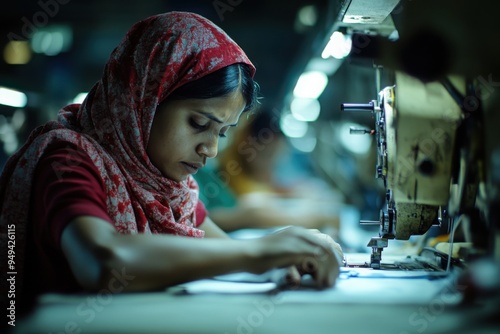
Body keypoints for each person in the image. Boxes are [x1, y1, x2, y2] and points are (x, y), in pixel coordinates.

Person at [0, 12, 342, 315]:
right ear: (145, 100)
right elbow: (104, 262)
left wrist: (285, 258)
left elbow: (224, 253)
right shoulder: (68, 161)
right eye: (198, 124)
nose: (210, 149)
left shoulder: (171, 189)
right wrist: (260, 254)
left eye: (221, 133)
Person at [195, 109, 342, 234]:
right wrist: (317, 218)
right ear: (248, 143)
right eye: (267, 156)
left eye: (276, 158)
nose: (270, 165)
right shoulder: (209, 177)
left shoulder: (250, 178)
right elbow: (206, 217)